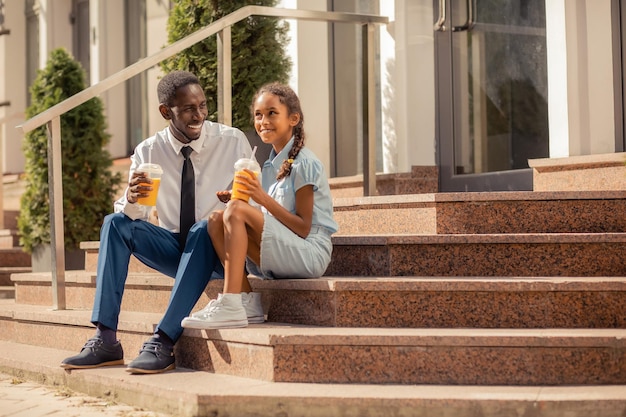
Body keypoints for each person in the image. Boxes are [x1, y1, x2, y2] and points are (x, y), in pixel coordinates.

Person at [60, 71, 263, 374]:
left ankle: (163, 339)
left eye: (203, 106)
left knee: (202, 227)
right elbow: (135, 215)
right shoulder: (148, 150)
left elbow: (256, 204)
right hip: (176, 249)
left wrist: (236, 201)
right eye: (189, 109)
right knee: (114, 223)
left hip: (222, 252)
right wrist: (130, 198)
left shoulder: (231, 141)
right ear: (166, 112)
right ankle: (105, 340)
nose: (199, 115)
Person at [181, 82, 338, 329]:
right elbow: (266, 220)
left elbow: (304, 228)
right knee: (215, 220)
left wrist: (261, 198)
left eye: (272, 113)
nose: (263, 121)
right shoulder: (269, 165)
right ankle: (246, 302)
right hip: (287, 247)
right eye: (258, 115)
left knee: (234, 210)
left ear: (293, 118)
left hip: (310, 253)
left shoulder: (304, 163)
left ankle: (231, 302)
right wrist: (239, 198)